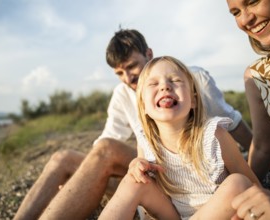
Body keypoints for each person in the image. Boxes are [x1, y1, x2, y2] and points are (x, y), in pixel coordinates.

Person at [14, 29, 252, 220]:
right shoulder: (123, 94)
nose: (127, 78)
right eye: (119, 73)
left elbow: (233, 121)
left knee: (107, 148)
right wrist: (80, 182)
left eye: (131, 66)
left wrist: (259, 154)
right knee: (61, 159)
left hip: (202, 170)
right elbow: (103, 146)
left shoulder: (191, 80)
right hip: (155, 168)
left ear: (149, 54)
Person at [99, 56, 260, 220]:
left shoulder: (214, 136)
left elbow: (252, 185)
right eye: (154, 84)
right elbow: (146, 180)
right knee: (134, 181)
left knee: (238, 182)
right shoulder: (146, 140)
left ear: (193, 101)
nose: (165, 87)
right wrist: (135, 166)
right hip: (172, 215)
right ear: (143, 106)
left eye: (175, 81)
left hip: (216, 214)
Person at [226, 0, 270, 181]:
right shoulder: (258, 76)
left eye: (253, 2)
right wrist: (249, 189)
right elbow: (263, 147)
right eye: (236, 12)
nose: (245, 19)